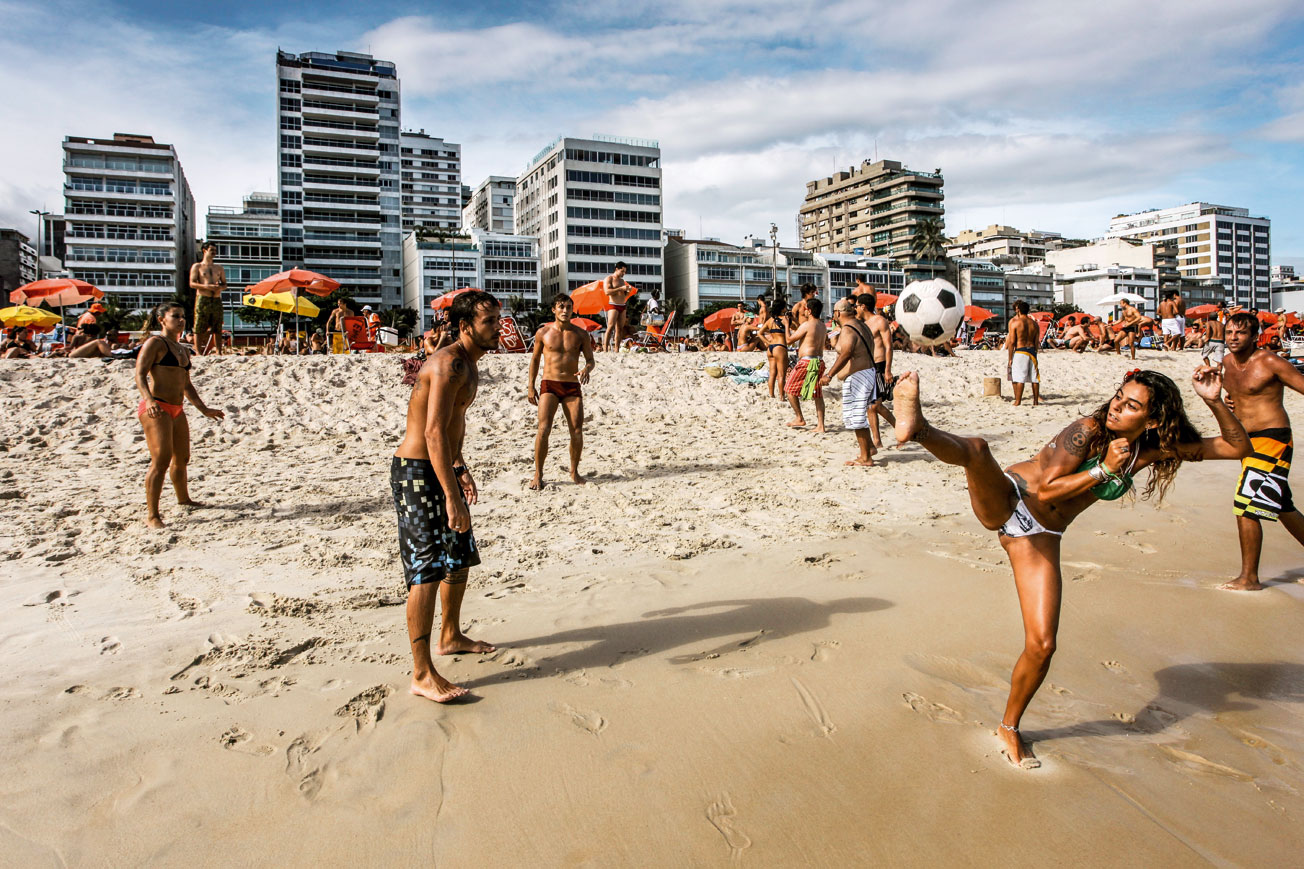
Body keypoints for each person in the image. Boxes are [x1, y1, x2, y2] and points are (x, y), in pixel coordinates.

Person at [892, 365, 1247, 767]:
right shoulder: (1088, 431)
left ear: (1152, 420)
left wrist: (1214, 401)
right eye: (1119, 396)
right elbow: (1044, 488)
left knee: (1043, 645)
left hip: (1042, 535)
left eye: (1131, 405)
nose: (1117, 407)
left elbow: (1237, 448)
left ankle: (1008, 726)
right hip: (1011, 499)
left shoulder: (1150, 449)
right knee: (977, 450)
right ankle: (918, 428)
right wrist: (1104, 469)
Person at [392, 289, 501, 704]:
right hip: (417, 473)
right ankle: (421, 673)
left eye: (497, 319)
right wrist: (451, 497)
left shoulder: (469, 365)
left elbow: (452, 428)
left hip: (441, 467)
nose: (498, 327)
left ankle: (450, 635)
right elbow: (433, 432)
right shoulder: (448, 364)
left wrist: (459, 467)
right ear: (464, 326)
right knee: (427, 568)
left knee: (457, 554)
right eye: (488, 321)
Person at [1216, 312, 1304, 590]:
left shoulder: (1271, 362)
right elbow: (1236, 396)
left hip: (1274, 437)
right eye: (1229, 332)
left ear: (1255, 337)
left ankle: (1249, 578)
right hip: (1245, 442)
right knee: (1281, 505)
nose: (1233, 338)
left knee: (1246, 504)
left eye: (1240, 333)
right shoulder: (1226, 363)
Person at [134, 302, 225, 528]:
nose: (181, 320)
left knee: (182, 458)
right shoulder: (155, 343)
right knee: (161, 460)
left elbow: (186, 385)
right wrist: (149, 400)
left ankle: (184, 499)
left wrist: (204, 409)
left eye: (183, 316)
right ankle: (153, 516)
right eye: (176, 316)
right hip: (157, 407)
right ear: (162, 320)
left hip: (177, 408)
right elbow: (140, 374)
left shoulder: (183, 349)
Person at [528, 293, 596, 490]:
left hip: (571, 386)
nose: (565, 310)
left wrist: (586, 369)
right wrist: (531, 386)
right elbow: (534, 360)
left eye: (568, 307)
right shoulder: (543, 333)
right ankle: (538, 474)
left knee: (576, 430)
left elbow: (591, 360)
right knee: (544, 429)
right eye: (561, 307)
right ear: (554, 309)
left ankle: (574, 471)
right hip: (549, 384)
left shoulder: (581, 334)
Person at [820, 299, 878, 465]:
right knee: (858, 414)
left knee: (856, 416)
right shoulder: (862, 325)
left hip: (859, 377)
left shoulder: (847, 329)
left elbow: (846, 353)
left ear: (838, 313)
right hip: (867, 373)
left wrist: (829, 375)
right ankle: (869, 448)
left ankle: (866, 457)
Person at [854, 292, 896, 447]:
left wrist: (888, 370)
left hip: (879, 365)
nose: (855, 308)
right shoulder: (861, 324)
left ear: (863, 306)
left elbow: (888, 346)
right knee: (870, 406)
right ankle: (877, 440)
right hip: (867, 366)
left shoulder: (879, 321)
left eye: (857, 306)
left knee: (875, 405)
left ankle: (899, 428)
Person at [784, 297, 827, 431]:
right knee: (817, 394)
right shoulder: (822, 325)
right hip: (818, 360)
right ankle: (821, 425)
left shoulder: (807, 325)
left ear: (809, 310)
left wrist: (786, 325)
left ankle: (799, 418)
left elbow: (789, 340)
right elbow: (806, 333)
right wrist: (795, 322)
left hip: (806, 362)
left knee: (789, 389)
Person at [188, 241, 227, 356]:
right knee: (199, 325)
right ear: (205, 251)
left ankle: (218, 351)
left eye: (215, 250)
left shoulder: (219, 268)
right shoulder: (198, 266)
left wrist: (219, 288)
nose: (214, 253)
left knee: (217, 325)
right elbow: (192, 283)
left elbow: (225, 284)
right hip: (203, 297)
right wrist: (206, 286)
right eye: (212, 250)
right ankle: (198, 351)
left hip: (216, 298)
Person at [1006, 300, 1041, 407]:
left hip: (1021, 351)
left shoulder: (1015, 323)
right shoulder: (1034, 324)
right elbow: (1036, 342)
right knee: (1035, 378)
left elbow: (1012, 342)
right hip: (1032, 351)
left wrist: (1010, 358)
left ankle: (1018, 401)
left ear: (1018, 310)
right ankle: (1035, 401)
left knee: (1019, 377)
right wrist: (1035, 352)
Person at [761, 297, 789, 399]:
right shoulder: (785, 319)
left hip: (771, 347)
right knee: (782, 374)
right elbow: (797, 327)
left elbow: (760, 333)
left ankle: (771, 394)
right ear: (782, 308)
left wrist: (768, 342)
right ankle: (782, 396)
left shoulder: (770, 320)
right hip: (780, 347)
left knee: (772, 373)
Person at [602, 262, 634, 352]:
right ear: (616, 269)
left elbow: (624, 295)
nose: (623, 273)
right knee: (610, 326)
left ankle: (616, 349)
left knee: (620, 328)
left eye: (625, 272)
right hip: (613, 305)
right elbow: (607, 292)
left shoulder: (622, 281)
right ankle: (605, 348)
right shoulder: (609, 278)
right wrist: (621, 288)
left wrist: (628, 291)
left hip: (622, 305)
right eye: (622, 271)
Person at [1203, 302, 1227, 367]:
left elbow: (1208, 333)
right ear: (1217, 317)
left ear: (1210, 318)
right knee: (1219, 361)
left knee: (1204, 355)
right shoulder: (1222, 325)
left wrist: (1205, 340)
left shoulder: (1208, 323)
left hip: (1211, 341)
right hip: (1221, 342)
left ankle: (1208, 366)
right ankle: (1218, 373)